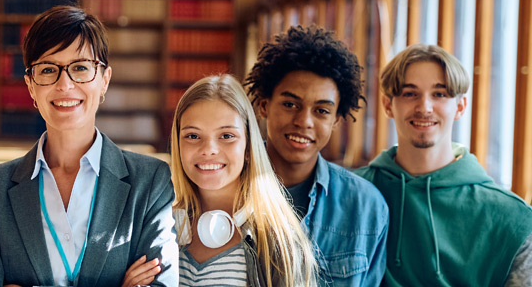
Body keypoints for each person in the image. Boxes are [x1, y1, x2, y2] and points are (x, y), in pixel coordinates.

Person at [0, 5, 178, 287]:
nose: (65, 84)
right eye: (48, 69)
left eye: (81, 68)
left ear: (104, 80)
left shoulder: (150, 182)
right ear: (30, 86)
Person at [353, 44, 532, 286]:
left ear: (460, 107)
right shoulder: (350, 193)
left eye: (439, 94)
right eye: (409, 93)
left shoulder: (513, 217)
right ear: (387, 105)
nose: (424, 107)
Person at [244, 25, 388, 286]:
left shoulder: (366, 207)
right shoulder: (224, 189)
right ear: (264, 106)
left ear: (336, 120)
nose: (304, 121)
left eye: (321, 111)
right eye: (290, 104)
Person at [170, 74, 318, 287]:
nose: (209, 150)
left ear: (248, 147)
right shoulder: (161, 228)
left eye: (227, 136)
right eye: (193, 136)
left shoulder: (280, 243)